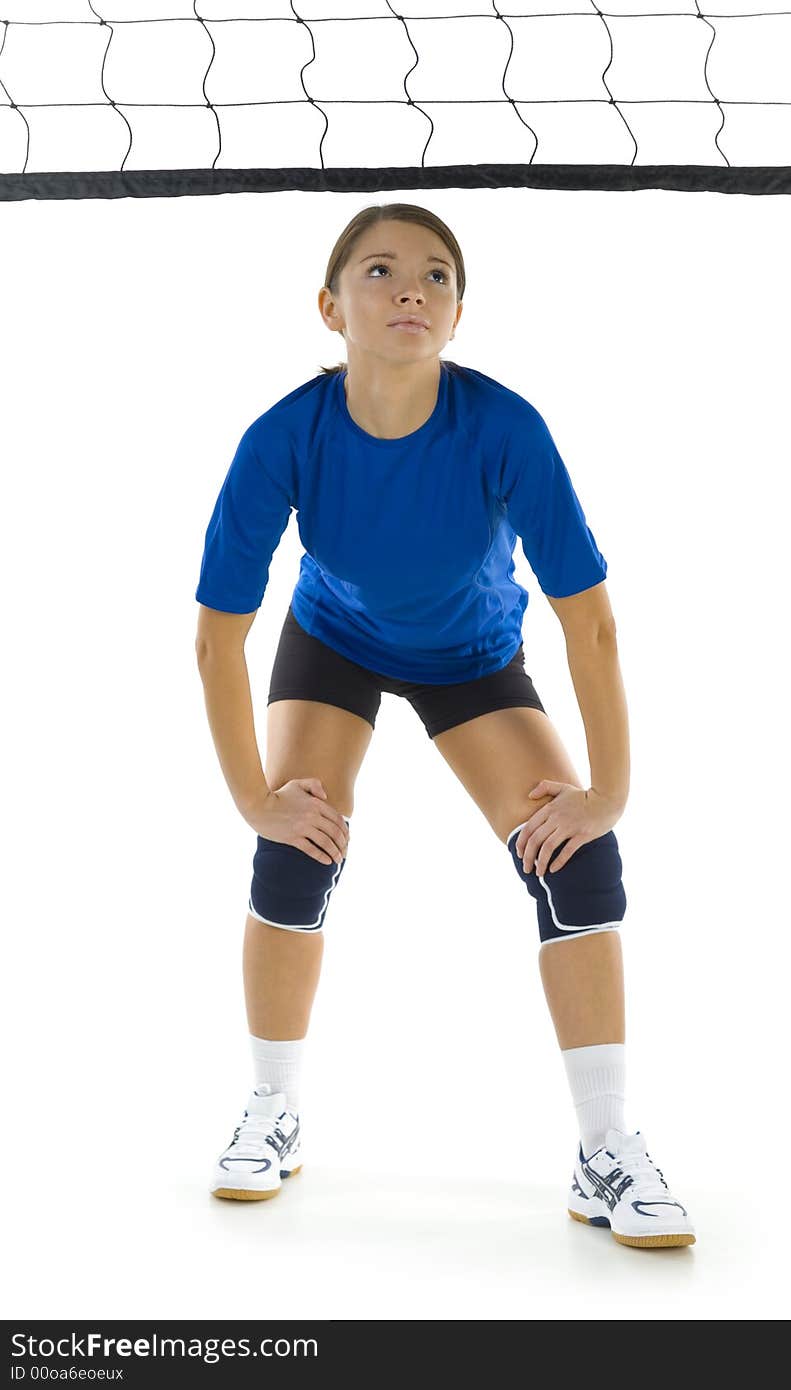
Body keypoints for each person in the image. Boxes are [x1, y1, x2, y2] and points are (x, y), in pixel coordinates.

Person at [194, 202, 695, 1250]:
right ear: (330, 307)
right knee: (295, 848)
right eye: (378, 272)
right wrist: (253, 796)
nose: (408, 289)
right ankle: (271, 1108)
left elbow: (589, 623)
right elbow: (216, 640)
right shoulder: (284, 435)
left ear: (459, 316)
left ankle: (605, 1148)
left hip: (472, 655)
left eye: (434, 276)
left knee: (579, 861)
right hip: (333, 640)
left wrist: (609, 791)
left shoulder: (503, 426)